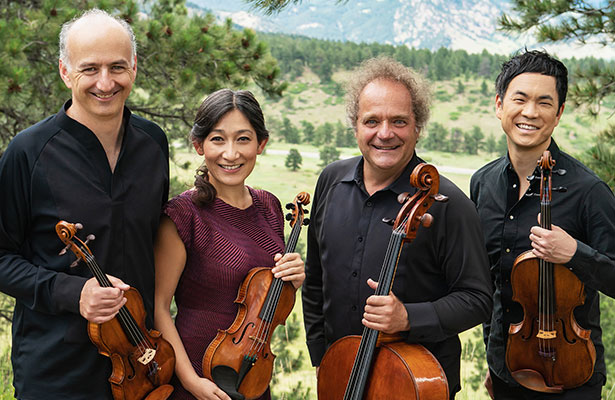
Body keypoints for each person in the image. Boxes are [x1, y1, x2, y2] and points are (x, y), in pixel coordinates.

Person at [0, 9, 169, 400]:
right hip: (56, 370)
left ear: (135, 68)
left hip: (141, 365)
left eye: (117, 67)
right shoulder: (27, 152)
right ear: (65, 71)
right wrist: (72, 293)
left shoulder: (153, 143)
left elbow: (156, 240)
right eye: (89, 69)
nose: (105, 83)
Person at [302, 56, 493, 398]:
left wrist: (409, 318)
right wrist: (322, 356)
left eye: (399, 121)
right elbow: (316, 281)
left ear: (418, 126)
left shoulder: (449, 203)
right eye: (371, 121)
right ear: (355, 126)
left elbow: (478, 299)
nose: (385, 133)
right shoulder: (330, 181)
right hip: (339, 376)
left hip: (417, 386)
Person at [470, 49, 615, 399]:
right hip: (508, 370)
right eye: (520, 99)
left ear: (559, 112)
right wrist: (495, 362)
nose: (530, 112)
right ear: (499, 105)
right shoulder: (482, 184)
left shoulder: (588, 191)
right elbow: (491, 283)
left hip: (571, 375)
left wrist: (574, 254)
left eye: (544, 102)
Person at [154, 88, 305, 400]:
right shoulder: (183, 215)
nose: (231, 153)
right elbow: (159, 307)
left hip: (250, 373)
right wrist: (191, 381)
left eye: (243, 139)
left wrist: (292, 280)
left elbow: (263, 299)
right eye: (218, 139)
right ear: (199, 145)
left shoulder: (270, 206)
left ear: (261, 144)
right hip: (197, 377)